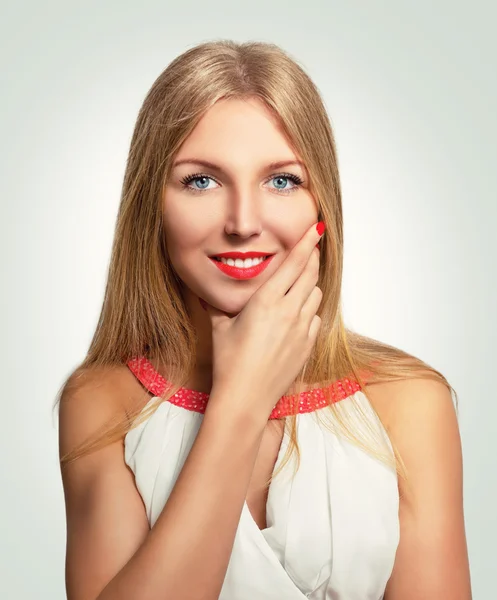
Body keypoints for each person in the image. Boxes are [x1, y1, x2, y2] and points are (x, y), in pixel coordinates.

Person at [56, 39, 472, 599]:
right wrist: (242, 397)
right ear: (150, 205)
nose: (243, 222)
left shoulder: (410, 400)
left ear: (321, 204)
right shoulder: (105, 403)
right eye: (201, 180)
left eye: (282, 180)